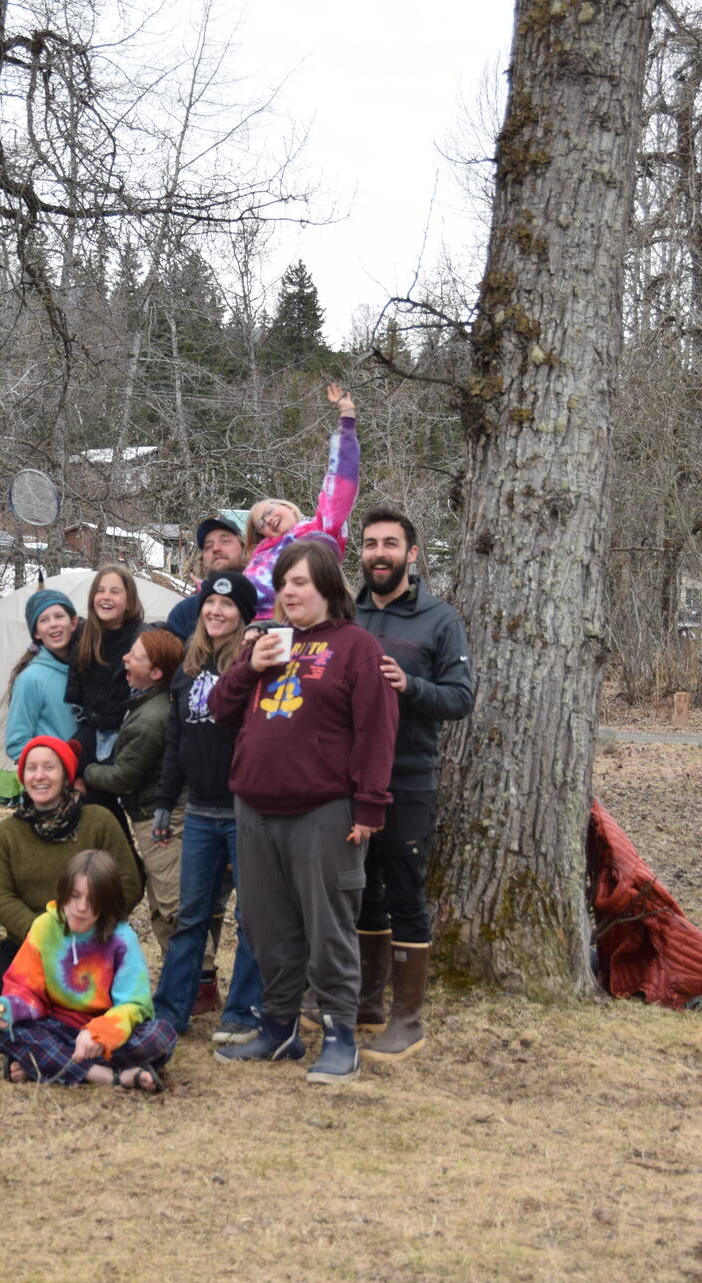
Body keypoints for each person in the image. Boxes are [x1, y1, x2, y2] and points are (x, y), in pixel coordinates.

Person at [211, 539, 397, 1083]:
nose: (289, 592)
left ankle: (341, 1038)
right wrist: (249, 665)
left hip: (324, 811)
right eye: (284, 583)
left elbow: (377, 732)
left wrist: (370, 807)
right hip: (255, 808)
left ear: (327, 588)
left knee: (329, 928)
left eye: (300, 583)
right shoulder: (267, 643)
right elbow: (221, 709)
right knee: (268, 929)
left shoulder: (357, 647)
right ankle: (278, 1030)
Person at [352, 507, 475, 1061]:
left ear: (412, 554)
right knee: (360, 892)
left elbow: (461, 698)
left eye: (390, 544)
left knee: (405, 894)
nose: (379, 553)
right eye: (371, 543)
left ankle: (408, 1019)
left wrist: (411, 686)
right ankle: (365, 1003)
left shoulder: (439, 619)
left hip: (408, 779)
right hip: (349, 781)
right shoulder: (345, 614)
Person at [0, 736, 143, 1043]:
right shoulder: (9, 833)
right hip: (28, 949)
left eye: (49, 767)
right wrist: (47, 935)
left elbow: (128, 881)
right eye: (31, 768)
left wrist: (87, 928)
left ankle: (60, 1039)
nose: (39, 776)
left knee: (108, 1027)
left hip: (92, 949)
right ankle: (47, 1034)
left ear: (66, 775)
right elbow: (0, 897)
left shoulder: (98, 820)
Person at [148, 572, 265, 1040]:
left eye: (227, 605)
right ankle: (170, 1011)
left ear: (243, 613)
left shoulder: (253, 662)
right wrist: (163, 800)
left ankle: (242, 1012)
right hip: (198, 811)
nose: (216, 612)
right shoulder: (188, 666)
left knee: (250, 915)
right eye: (210, 605)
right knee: (192, 914)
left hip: (244, 811)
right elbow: (177, 739)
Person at [0, 849, 175, 1090]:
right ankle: (111, 1076)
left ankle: (38, 1063)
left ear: (106, 903)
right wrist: (5, 1010)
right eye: (75, 895)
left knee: (162, 1035)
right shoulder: (43, 927)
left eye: (92, 901)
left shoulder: (122, 938)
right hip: (52, 1026)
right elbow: (26, 991)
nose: (81, 907)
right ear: (64, 891)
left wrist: (98, 1034)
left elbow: (134, 1005)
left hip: (101, 1032)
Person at [81, 626, 184, 949]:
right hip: (150, 814)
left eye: (135, 656)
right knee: (161, 901)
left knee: (172, 904)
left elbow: (123, 776)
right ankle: (181, 979)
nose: (125, 658)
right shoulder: (145, 704)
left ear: (155, 672)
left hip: (157, 818)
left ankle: (197, 982)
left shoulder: (150, 719)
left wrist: (85, 770)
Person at [239, 383, 361, 620]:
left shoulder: (317, 531)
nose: (268, 519)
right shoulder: (258, 557)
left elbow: (339, 488)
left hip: (305, 627)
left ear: (287, 508)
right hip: (253, 634)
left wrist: (347, 418)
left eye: (270, 510)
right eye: (261, 523)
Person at [63, 564, 144, 765]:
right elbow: (77, 689)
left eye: (114, 592)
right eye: (100, 591)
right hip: (90, 729)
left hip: (127, 736)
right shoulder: (83, 636)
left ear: (129, 601)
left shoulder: (140, 639)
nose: (106, 596)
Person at [4, 587, 79, 761]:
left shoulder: (86, 670)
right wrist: (54, 768)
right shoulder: (31, 679)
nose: (53, 623)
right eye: (44, 620)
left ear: (73, 622)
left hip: (87, 780)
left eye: (59, 616)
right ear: (36, 632)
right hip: (54, 782)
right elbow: (16, 743)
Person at [165, 514, 249, 639]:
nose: (216, 548)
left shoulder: (265, 601)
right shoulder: (186, 612)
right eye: (208, 546)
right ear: (202, 559)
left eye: (225, 541)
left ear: (244, 548)